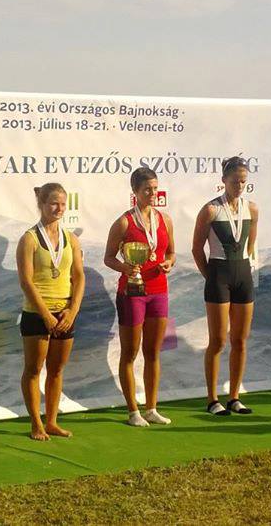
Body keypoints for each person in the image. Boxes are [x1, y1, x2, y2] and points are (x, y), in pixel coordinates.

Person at [104, 167, 175, 427]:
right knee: (130, 352)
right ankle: (133, 411)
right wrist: (126, 268)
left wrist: (169, 263)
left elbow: (171, 253)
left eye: (155, 188)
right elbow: (108, 258)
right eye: (147, 189)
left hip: (159, 291)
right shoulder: (124, 222)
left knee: (153, 352)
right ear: (135, 191)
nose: (152, 193)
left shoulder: (165, 219)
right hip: (132, 293)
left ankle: (151, 408)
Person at [16, 183, 85, 440]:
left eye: (63, 204)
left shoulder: (71, 239)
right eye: (54, 203)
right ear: (42, 204)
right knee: (33, 370)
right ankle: (36, 424)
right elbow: (26, 281)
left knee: (56, 370)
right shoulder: (29, 239)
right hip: (37, 314)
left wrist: (72, 310)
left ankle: (52, 422)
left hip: (65, 313)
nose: (59, 208)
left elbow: (79, 277)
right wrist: (45, 314)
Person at [192, 156, 259, 415]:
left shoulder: (252, 209)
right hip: (218, 276)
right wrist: (210, 276)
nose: (239, 186)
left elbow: (250, 244)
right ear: (223, 181)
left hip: (243, 275)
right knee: (218, 341)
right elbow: (197, 249)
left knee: (240, 340)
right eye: (234, 181)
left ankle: (234, 397)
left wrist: (245, 264)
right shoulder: (210, 210)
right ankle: (212, 399)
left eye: (243, 181)